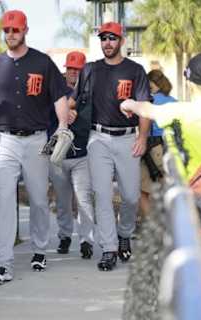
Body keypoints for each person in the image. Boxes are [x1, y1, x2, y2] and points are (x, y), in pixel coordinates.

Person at [120, 52, 201, 320]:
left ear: (188, 81)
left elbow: (147, 109)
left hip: (193, 214)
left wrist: (130, 103)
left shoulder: (179, 112)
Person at [0, 9, 70, 284]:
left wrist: (62, 126)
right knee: (5, 199)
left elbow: (59, 96)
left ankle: (39, 249)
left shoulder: (42, 62)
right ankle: (3, 263)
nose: (11, 34)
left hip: (36, 139)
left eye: (15, 30)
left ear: (25, 30)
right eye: (7, 30)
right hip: (5, 139)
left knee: (37, 198)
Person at [70, 22, 151, 271]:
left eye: (112, 38)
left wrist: (143, 137)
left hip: (128, 138)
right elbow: (75, 100)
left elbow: (145, 107)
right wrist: (66, 114)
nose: (107, 42)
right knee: (102, 195)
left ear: (121, 41)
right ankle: (109, 248)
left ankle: (124, 232)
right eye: (104, 38)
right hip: (99, 139)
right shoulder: (91, 70)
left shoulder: (136, 70)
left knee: (130, 196)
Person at [49, 50, 96, 258]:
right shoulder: (55, 91)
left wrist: (77, 116)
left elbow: (94, 122)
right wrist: (63, 114)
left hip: (82, 154)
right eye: (70, 68)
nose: (73, 73)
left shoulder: (91, 93)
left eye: (78, 69)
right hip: (59, 154)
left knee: (84, 198)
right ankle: (65, 236)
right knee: (62, 200)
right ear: (65, 69)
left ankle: (87, 240)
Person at [139, 70, 176, 218]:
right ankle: (170, 226)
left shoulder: (151, 101)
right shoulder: (173, 101)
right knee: (168, 191)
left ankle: (152, 225)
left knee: (142, 191)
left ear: (152, 84)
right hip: (171, 148)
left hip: (153, 148)